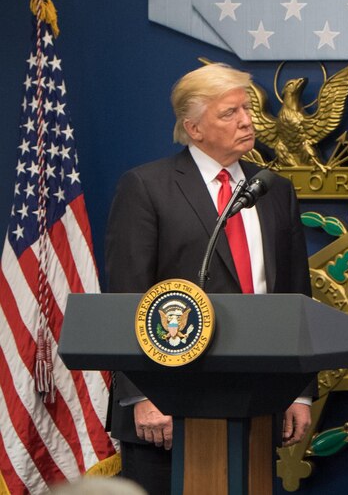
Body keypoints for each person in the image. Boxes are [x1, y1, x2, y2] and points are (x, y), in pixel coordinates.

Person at [104, 64, 313, 493]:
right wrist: (141, 394)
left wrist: (299, 391)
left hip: (256, 403)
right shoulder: (147, 187)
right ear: (193, 128)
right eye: (229, 112)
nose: (246, 121)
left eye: (247, 110)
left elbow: (296, 295)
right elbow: (128, 296)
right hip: (166, 407)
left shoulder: (272, 189)